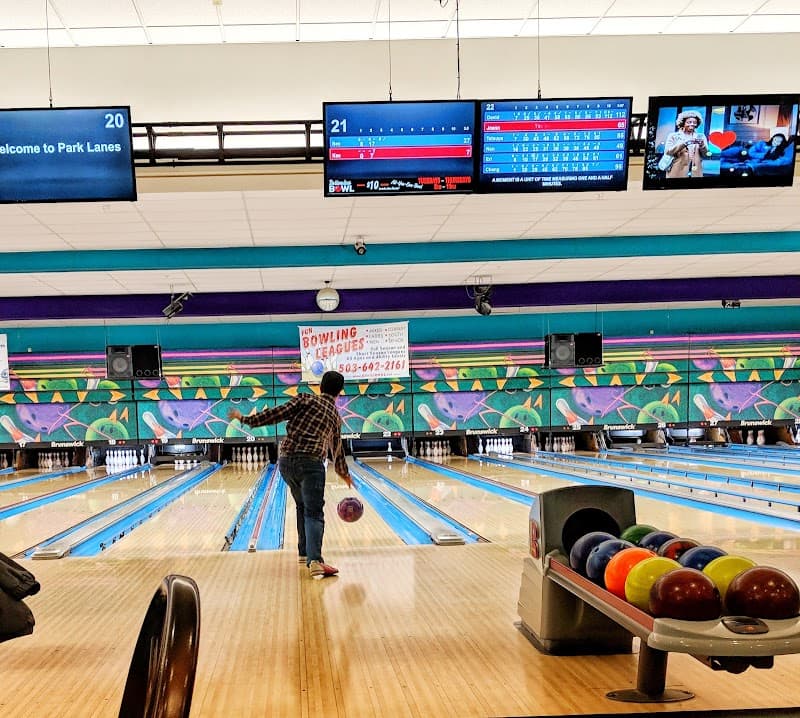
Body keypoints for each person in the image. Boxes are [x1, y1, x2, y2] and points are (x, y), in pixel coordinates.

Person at [228, 370, 352, 579]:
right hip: (311, 464)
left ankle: (304, 552)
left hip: (286, 462)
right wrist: (343, 473)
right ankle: (315, 561)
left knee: (302, 506)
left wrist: (245, 419)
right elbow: (337, 449)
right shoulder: (334, 416)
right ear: (340, 392)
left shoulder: (304, 399)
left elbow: (275, 414)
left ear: (320, 387)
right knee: (314, 512)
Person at [661, 110, 710, 178]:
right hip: (676, 172)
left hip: (696, 173)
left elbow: (706, 154)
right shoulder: (673, 136)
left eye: (694, 122)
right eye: (689, 122)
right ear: (683, 123)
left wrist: (702, 145)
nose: (692, 124)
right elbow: (668, 152)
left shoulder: (701, 136)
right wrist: (684, 143)